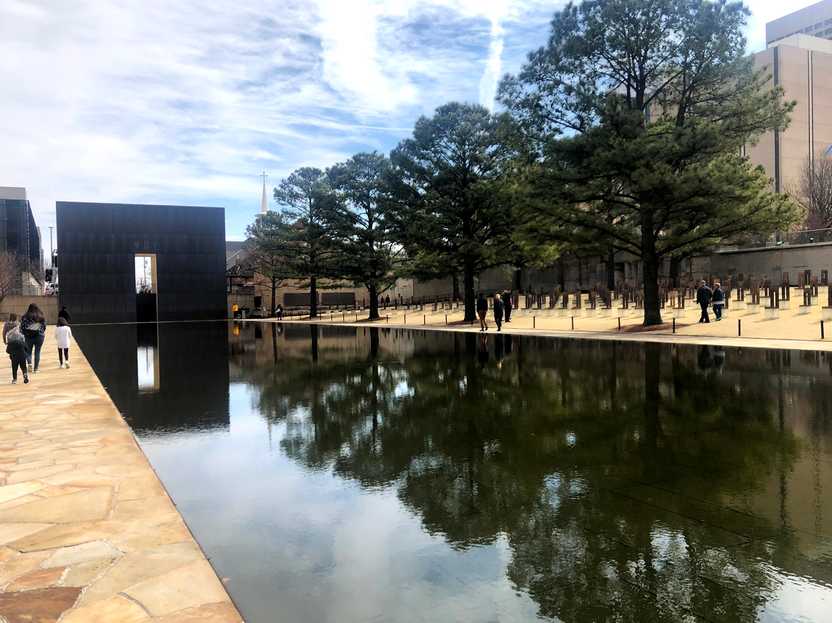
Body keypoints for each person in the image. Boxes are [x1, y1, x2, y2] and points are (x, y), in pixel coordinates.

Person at [20, 303, 46, 372]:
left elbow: (22, 327)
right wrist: (41, 332)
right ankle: (36, 369)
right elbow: (44, 326)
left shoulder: (25, 316)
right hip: (39, 336)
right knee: (37, 352)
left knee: (28, 352)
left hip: (28, 336)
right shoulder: (41, 315)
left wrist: (25, 333)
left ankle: (29, 363)